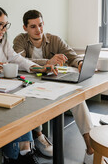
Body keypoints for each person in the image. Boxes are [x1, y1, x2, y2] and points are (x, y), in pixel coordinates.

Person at [0, 5, 55, 164]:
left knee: (23, 102)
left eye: (6, 25)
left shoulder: (2, 41)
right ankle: (17, 155)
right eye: (0, 24)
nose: (4, 29)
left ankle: (25, 152)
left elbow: (17, 59)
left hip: (3, 87)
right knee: (15, 107)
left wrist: (39, 68)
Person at [13, 9, 95, 163]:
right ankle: (38, 136)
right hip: (29, 83)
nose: (39, 30)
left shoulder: (54, 39)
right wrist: (47, 62)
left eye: (40, 25)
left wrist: (80, 63)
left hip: (53, 82)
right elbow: (19, 61)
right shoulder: (20, 40)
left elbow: (72, 55)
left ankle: (90, 149)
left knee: (77, 99)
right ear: (25, 28)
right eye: (33, 26)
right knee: (32, 101)